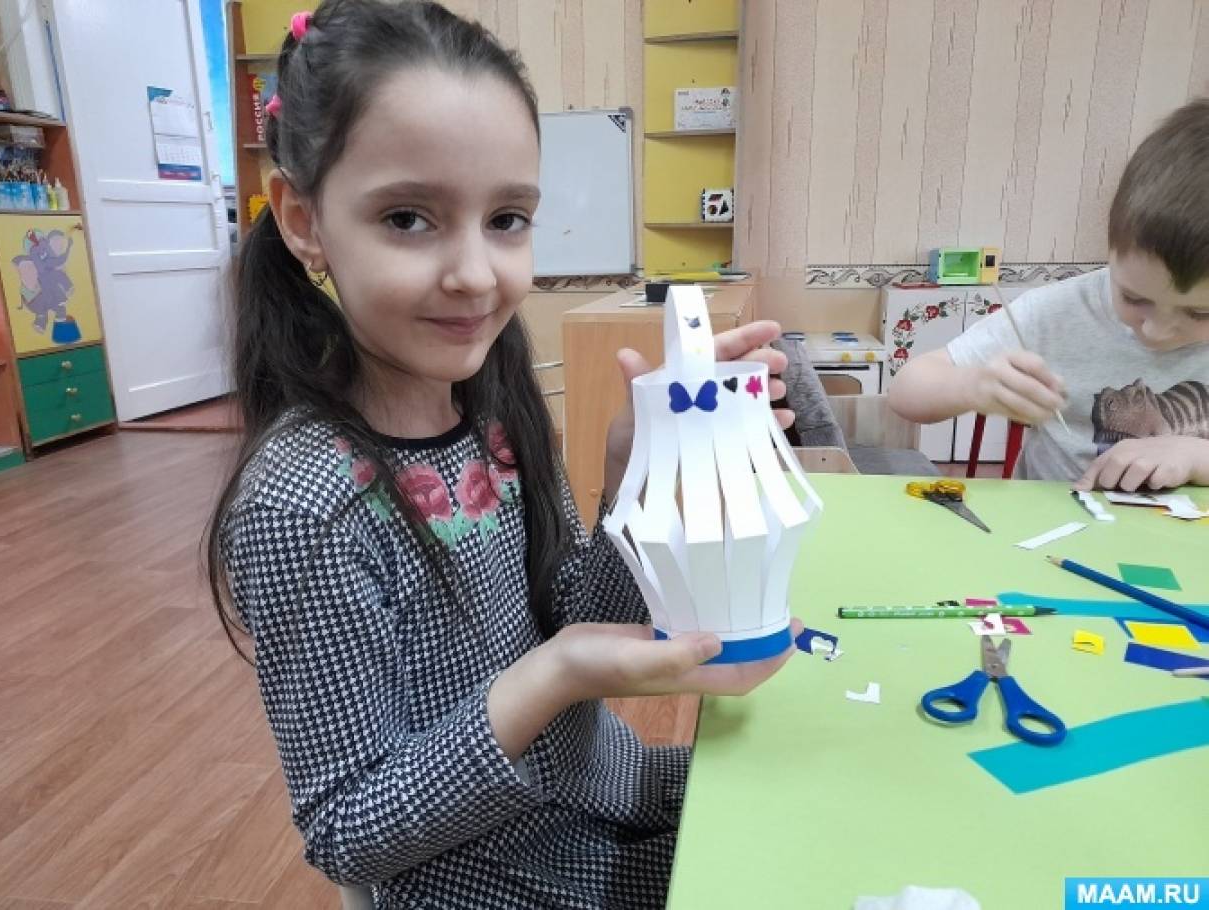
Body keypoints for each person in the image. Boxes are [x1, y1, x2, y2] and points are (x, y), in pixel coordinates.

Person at [205, 3, 799, 906]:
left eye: (508, 218)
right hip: (496, 879)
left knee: (821, 813)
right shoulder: (303, 506)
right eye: (408, 218)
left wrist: (638, 473)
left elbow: (578, 615)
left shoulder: (494, 413)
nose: (477, 274)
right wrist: (553, 677)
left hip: (602, 797)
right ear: (303, 219)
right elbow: (348, 833)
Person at [888, 98, 1209, 492]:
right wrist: (971, 386)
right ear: (1111, 251)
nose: (1157, 330)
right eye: (1134, 298)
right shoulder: (1059, 311)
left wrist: (1197, 456)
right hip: (1052, 525)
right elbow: (906, 390)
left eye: (1199, 313)